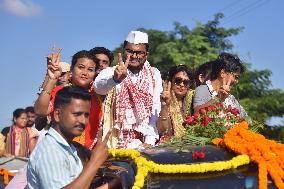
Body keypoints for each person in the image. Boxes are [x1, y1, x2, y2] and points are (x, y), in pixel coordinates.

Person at [26, 86, 117, 189]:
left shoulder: (69, 148)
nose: (83, 121)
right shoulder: (50, 151)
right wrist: (95, 162)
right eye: (77, 114)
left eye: (86, 115)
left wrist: (114, 184)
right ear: (57, 115)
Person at [94, 31, 163, 149]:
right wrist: (114, 80)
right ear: (124, 51)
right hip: (114, 141)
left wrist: (150, 141)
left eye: (139, 52)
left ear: (146, 54)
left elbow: (155, 107)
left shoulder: (154, 74)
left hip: (144, 142)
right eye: (130, 51)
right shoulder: (112, 71)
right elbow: (98, 88)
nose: (134, 56)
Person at [34, 48, 102, 149]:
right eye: (81, 67)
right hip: (60, 150)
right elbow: (40, 111)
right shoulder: (60, 91)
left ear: (95, 74)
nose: (85, 73)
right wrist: (52, 79)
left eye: (90, 70)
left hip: (89, 156)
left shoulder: (99, 95)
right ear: (71, 70)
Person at [193, 53, 247, 118]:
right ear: (223, 73)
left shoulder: (231, 99)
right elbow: (196, 114)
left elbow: (247, 120)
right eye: (235, 77)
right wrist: (218, 99)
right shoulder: (203, 90)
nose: (236, 81)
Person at [157, 65, 194, 137]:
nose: (181, 85)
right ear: (170, 81)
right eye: (178, 80)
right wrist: (164, 106)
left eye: (185, 82)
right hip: (169, 144)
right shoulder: (161, 98)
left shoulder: (193, 99)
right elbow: (163, 131)